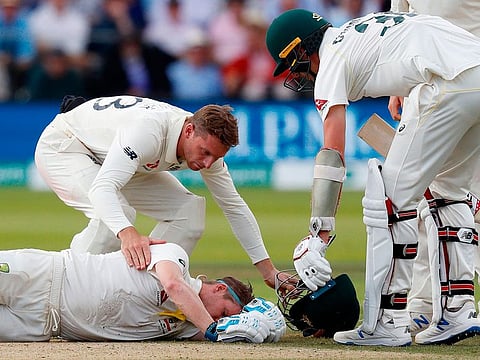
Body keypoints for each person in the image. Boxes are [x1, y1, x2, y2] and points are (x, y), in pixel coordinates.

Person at [265, 8, 480, 346]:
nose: (298, 75)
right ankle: (457, 311)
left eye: (294, 64)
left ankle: (386, 322)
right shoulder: (356, 33)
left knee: (389, 201)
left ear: (302, 49)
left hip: (447, 82)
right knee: (446, 193)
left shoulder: (331, 55)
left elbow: (332, 153)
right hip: (471, 72)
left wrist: (319, 234)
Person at [34, 96, 292, 294]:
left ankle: (139, 292)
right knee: (117, 215)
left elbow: (234, 206)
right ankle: (66, 292)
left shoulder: (206, 152)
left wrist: (268, 271)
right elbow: (103, 189)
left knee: (189, 211)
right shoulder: (149, 131)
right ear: (189, 130)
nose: (208, 163)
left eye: (216, 157)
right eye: (204, 152)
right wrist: (128, 233)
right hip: (65, 146)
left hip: (110, 156)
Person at [388, 0, 480, 339]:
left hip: (472, 88)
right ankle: (424, 307)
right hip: (428, 91)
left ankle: (454, 306)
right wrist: (401, 88)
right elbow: (402, 24)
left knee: (460, 205)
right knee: (430, 206)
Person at [0, 242, 284, 342]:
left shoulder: (182, 328)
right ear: (219, 289)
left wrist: (262, 328)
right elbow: (173, 286)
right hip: (44, 276)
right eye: (223, 314)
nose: (220, 323)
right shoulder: (177, 257)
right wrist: (213, 328)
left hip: (41, 326)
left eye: (223, 322)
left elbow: (228, 335)